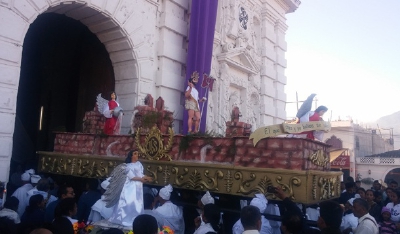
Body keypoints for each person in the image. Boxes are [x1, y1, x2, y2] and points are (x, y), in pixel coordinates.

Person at [108, 150, 152, 226]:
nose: (137, 155)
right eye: (135, 154)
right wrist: (141, 179)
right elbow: (131, 177)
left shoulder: (139, 164)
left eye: (138, 154)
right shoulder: (127, 166)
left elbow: (141, 174)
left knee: (138, 202)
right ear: (131, 156)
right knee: (129, 201)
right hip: (130, 187)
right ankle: (126, 219)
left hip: (138, 186)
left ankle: (136, 218)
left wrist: (146, 177)